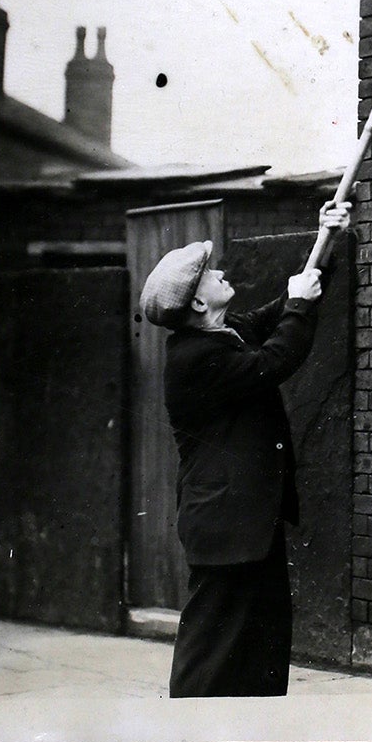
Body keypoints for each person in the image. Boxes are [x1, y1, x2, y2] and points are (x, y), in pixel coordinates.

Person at [139, 199, 352, 698]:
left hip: (249, 520)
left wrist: (326, 240)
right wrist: (297, 304)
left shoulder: (225, 333)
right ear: (196, 302)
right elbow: (278, 358)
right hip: (225, 524)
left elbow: (284, 309)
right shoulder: (195, 359)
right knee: (210, 650)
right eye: (210, 273)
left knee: (261, 645)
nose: (220, 272)